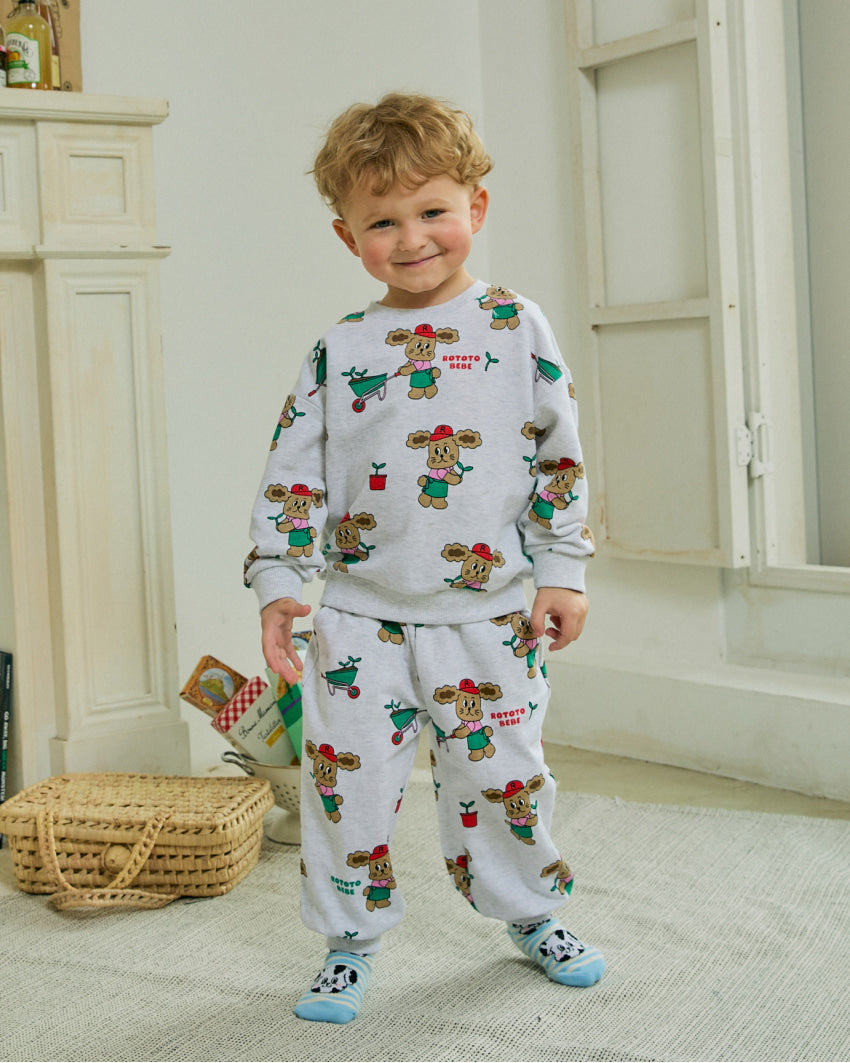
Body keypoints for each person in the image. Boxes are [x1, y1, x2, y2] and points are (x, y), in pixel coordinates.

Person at [244, 91, 605, 1025]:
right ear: (347, 237)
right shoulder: (340, 350)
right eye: (382, 222)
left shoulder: (516, 327)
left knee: (507, 779)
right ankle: (347, 942)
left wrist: (562, 569)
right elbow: (293, 474)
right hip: (360, 618)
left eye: (432, 210)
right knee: (346, 790)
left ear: (475, 207)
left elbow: (558, 459)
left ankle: (532, 911)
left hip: (489, 616)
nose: (411, 239)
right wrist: (280, 584)